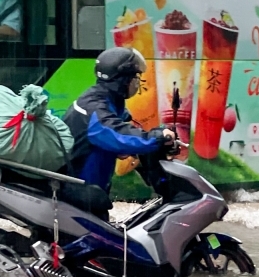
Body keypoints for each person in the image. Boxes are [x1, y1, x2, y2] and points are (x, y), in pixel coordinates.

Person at [63, 47, 175, 192]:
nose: (137, 82)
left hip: (91, 190)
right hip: (79, 193)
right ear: (122, 79)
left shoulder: (104, 99)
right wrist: (158, 137)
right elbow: (117, 134)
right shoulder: (95, 109)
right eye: (135, 77)